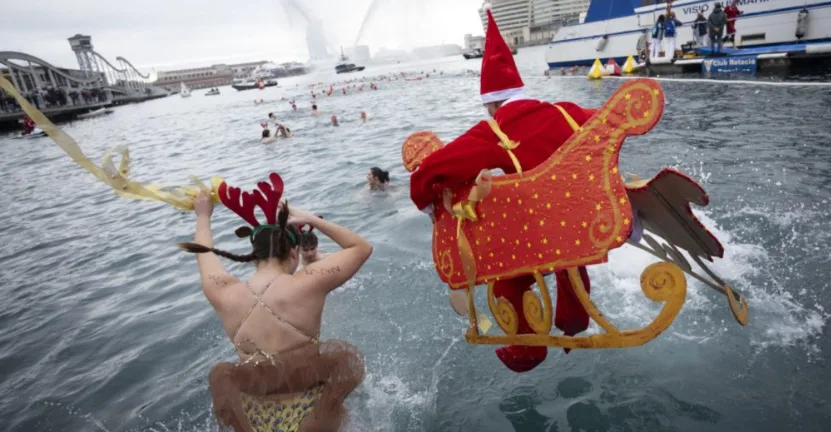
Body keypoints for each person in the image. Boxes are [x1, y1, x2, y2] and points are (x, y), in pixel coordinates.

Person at [409, 9, 597, 374]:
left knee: (505, 274)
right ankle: (574, 318)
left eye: (488, 108)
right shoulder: (567, 112)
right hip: (585, 221)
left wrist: (426, 203)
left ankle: (527, 349)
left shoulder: (496, 131)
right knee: (564, 234)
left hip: (545, 233)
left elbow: (430, 172)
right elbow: (610, 124)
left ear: (493, 103)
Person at [178, 173, 371, 431]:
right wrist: (311, 219)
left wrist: (203, 216)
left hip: (253, 414)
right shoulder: (307, 283)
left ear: (253, 255)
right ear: (293, 253)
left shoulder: (222, 291)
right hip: (311, 411)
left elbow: (203, 254)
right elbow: (361, 248)